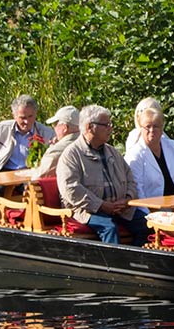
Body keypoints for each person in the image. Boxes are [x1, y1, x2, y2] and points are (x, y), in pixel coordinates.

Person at [56, 104, 148, 245]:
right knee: (109, 228)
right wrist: (101, 205)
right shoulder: (71, 155)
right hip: (87, 210)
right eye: (106, 125)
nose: (110, 128)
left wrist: (128, 199)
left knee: (148, 225)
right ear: (89, 127)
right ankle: (112, 265)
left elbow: (130, 178)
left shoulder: (112, 152)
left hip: (119, 209)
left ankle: (136, 261)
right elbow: (70, 189)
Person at [125, 106, 174, 200]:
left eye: (155, 126)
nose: (151, 130)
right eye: (148, 127)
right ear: (141, 128)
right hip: (153, 206)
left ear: (162, 128)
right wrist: (147, 212)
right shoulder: (134, 154)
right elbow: (137, 189)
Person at [33, 105, 80, 178]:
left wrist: (53, 146)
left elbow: (40, 176)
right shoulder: (91, 143)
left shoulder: (57, 150)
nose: (54, 128)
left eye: (55, 124)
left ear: (64, 128)